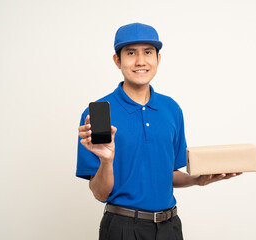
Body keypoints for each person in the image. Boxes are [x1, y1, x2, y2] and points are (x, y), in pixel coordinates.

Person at [77, 22, 241, 240]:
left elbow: (170, 174)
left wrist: (197, 180)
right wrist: (107, 160)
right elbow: (100, 193)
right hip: (123, 228)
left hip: (169, 228)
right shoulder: (97, 114)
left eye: (148, 52)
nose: (140, 61)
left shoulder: (171, 109)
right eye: (131, 53)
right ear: (117, 60)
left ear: (158, 59)